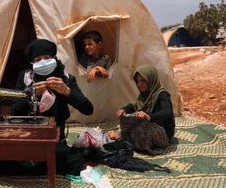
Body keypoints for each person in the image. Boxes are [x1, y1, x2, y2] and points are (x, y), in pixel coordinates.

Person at [12, 38, 94, 175]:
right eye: (37, 59)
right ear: (31, 62)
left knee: (75, 163)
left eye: (47, 57)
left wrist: (67, 91)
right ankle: (40, 165)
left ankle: (34, 166)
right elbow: (15, 110)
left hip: (54, 140)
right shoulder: (25, 78)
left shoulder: (66, 78)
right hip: (28, 138)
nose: (42, 61)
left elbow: (88, 109)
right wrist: (30, 94)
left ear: (54, 58)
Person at [110, 64, 175, 154]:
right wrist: (124, 109)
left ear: (151, 79)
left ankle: (128, 140)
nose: (139, 84)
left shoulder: (162, 94)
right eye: (138, 81)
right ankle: (129, 139)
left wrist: (148, 116)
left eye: (143, 81)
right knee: (126, 117)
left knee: (143, 123)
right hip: (150, 130)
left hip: (163, 135)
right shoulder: (143, 95)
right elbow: (135, 106)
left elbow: (166, 112)